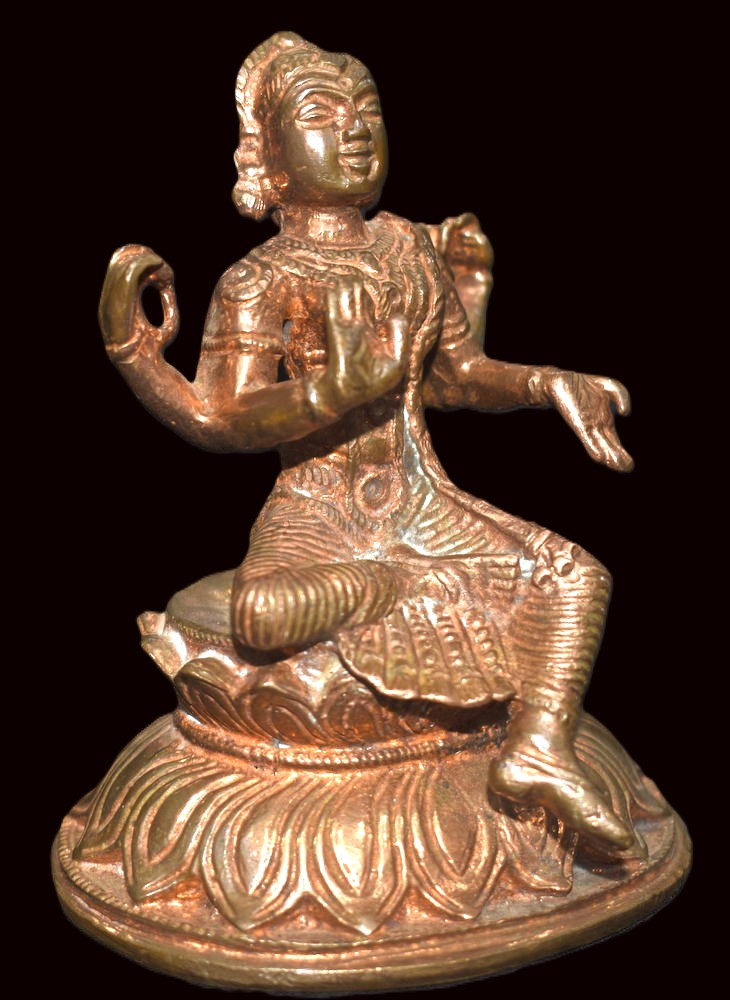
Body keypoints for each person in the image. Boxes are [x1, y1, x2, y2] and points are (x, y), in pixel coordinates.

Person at [99, 32, 634, 851]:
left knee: (576, 576)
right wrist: (322, 392)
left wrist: (544, 381)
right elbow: (219, 418)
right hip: (318, 508)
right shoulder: (259, 279)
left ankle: (537, 749)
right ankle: (396, 588)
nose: (353, 130)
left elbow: (455, 377)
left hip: (417, 501)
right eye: (321, 114)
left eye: (367, 111)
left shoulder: (407, 247)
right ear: (269, 156)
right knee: (261, 613)